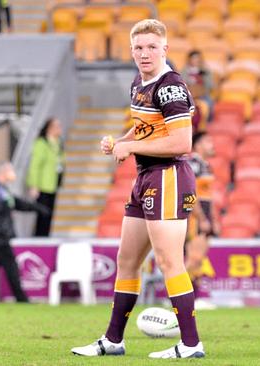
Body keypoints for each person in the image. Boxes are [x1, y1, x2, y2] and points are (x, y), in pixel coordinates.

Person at [71, 19, 204, 359]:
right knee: (126, 260)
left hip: (169, 175)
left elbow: (181, 141)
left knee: (168, 261)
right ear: (131, 51)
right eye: (139, 48)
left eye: (152, 47)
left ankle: (191, 344)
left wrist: (129, 149)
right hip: (146, 177)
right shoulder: (139, 83)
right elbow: (144, 127)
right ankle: (113, 340)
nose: (145, 54)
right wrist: (122, 140)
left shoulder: (170, 85)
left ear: (165, 50)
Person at [0, 161, 47, 303]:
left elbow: (16, 203)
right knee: (11, 267)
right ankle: (21, 299)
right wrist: (2, 232)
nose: (14, 173)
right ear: (4, 173)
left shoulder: (2, 190)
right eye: (11, 171)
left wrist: (37, 208)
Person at [186, 132, 218, 309]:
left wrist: (213, 218)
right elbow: (191, 194)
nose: (212, 144)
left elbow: (209, 196)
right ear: (197, 145)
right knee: (193, 258)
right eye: (208, 141)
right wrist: (202, 217)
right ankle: (182, 298)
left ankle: (195, 299)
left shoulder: (206, 166)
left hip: (205, 214)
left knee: (199, 259)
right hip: (195, 216)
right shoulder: (193, 164)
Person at [26, 117, 64, 237]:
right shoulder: (41, 143)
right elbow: (35, 165)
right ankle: (39, 237)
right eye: (57, 126)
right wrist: (34, 185)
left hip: (52, 184)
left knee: (49, 215)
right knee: (42, 215)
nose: (60, 129)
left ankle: (45, 236)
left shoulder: (58, 143)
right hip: (42, 185)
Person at [181, 50, 214, 122]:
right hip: (189, 95)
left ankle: (206, 122)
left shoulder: (205, 71)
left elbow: (210, 85)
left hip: (203, 95)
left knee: (209, 103)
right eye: (194, 58)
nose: (196, 60)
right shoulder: (184, 71)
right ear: (189, 59)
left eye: (198, 58)